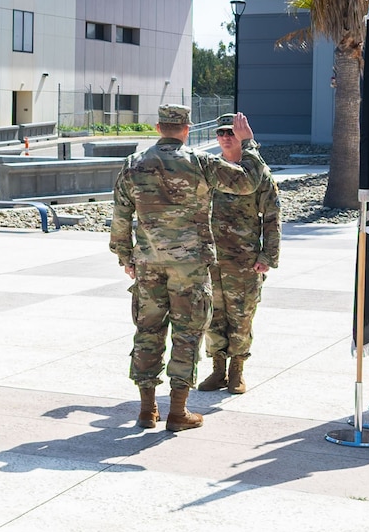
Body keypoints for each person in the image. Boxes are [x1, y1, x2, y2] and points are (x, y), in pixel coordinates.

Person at [110, 106, 268, 432]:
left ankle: (147, 410)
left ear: (158, 127)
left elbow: (121, 216)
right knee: (187, 335)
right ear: (186, 128)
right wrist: (249, 143)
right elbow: (249, 182)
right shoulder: (199, 162)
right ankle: (178, 412)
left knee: (147, 333)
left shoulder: (132, 163)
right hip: (190, 268)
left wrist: (126, 257)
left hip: (148, 265)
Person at [199, 114, 281, 395]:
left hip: (244, 261)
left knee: (242, 316)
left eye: (231, 132)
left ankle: (237, 371)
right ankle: (218, 370)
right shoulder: (211, 171)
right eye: (221, 132)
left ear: (242, 135)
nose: (225, 137)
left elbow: (272, 218)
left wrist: (267, 256)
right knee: (213, 316)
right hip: (211, 259)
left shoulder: (259, 174)